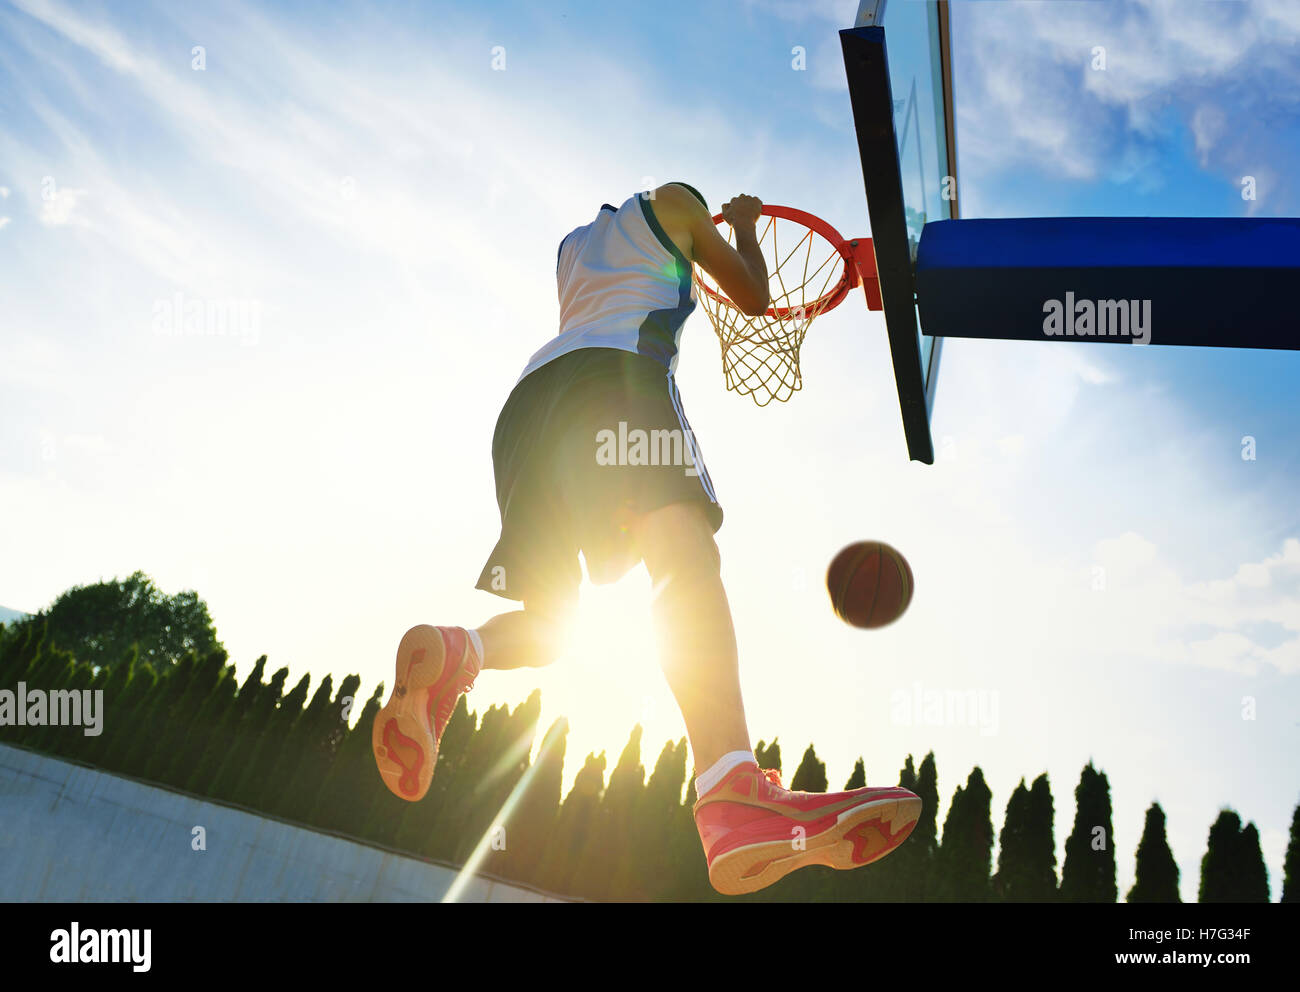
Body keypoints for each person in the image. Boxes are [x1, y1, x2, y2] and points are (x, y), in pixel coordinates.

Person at [372, 182, 921, 895]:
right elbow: (753, 296)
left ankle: (459, 652)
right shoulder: (677, 201)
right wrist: (749, 228)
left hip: (528, 412)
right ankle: (732, 788)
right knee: (684, 559)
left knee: (553, 624)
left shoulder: (571, 251)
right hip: (618, 377)